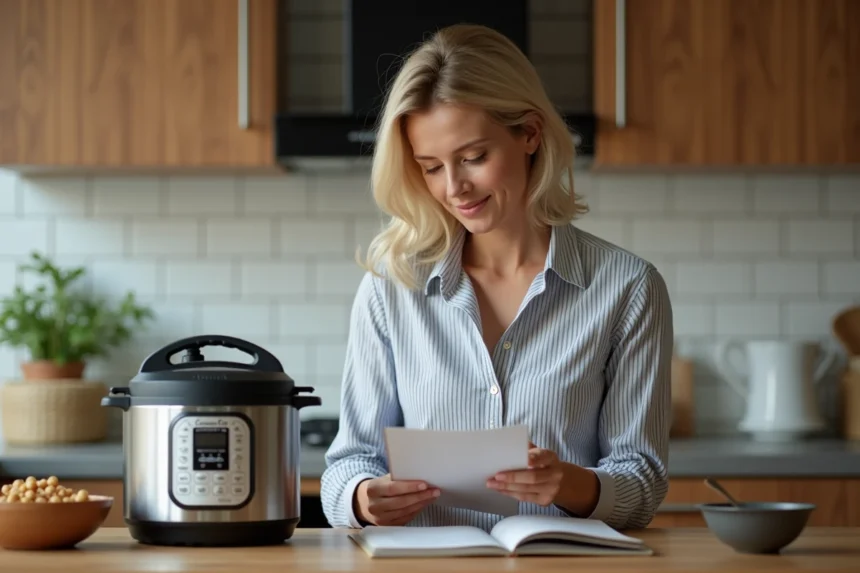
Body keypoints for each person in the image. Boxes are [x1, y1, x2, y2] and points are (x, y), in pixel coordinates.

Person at [320, 23, 673, 532]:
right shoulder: (391, 287)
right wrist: (361, 499)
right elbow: (348, 463)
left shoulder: (627, 289)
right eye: (431, 167)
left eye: (473, 158)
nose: (454, 188)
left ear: (530, 133)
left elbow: (642, 484)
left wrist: (568, 483)